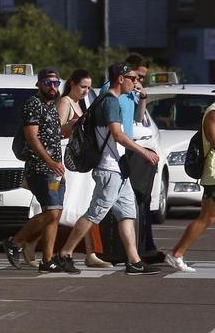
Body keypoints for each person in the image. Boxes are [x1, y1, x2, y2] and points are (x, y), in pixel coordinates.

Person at [55, 62, 160, 275]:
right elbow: (118, 135)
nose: (135, 83)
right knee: (95, 213)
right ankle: (64, 254)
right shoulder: (110, 101)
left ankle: (134, 261)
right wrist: (144, 151)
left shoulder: (112, 100)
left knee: (127, 214)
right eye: (132, 78)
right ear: (120, 79)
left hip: (119, 169)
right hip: (108, 169)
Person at [3, 68, 66, 272]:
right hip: (40, 168)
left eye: (56, 83)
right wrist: (50, 162)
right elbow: (32, 137)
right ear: (39, 84)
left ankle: (47, 261)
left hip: (55, 171)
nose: (52, 87)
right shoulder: (33, 104)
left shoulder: (51, 106)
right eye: (48, 83)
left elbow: (53, 134)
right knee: (52, 212)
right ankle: (15, 242)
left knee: (55, 213)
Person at [57, 69, 113, 268]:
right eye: (82, 87)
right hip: (68, 161)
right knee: (65, 208)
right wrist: (75, 123)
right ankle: (28, 243)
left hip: (79, 162)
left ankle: (91, 253)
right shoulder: (65, 102)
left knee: (84, 206)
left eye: (88, 88)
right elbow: (57, 130)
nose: (85, 91)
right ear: (72, 84)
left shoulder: (80, 103)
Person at [165, 103, 215, 272]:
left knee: (207, 218)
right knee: (207, 218)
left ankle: (177, 253)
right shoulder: (213, 112)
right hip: (213, 174)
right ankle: (177, 253)